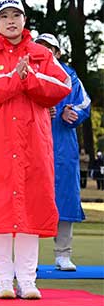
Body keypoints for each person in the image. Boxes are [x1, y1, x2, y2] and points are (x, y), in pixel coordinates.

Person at [0, 0, 71, 300]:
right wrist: (14, 79)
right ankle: (2, 281)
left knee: (30, 213)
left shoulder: (41, 54)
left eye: (16, 15)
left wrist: (31, 77)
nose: (11, 21)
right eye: (4, 16)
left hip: (32, 146)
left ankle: (27, 279)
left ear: (25, 19)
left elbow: (62, 87)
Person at [34, 33, 91, 271]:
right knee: (32, 200)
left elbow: (84, 104)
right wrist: (38, 113)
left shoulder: (70, 76)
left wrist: (72, 113)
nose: (46, 53)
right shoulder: (27, 74)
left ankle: (63, 254)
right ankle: (30, 259)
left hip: (62, 146)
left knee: (66, 198)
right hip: (33, 145)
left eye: (50, 49)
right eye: (41, 48)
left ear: (58, 53)